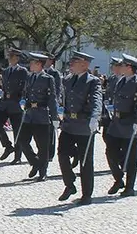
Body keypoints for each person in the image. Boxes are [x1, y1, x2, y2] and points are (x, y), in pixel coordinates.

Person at [56, 51, 102, 203]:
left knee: (85, 161)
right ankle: (69, 183)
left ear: (84, 65)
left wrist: (95, 117)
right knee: (62, 154)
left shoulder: (92, 81)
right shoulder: (68, 80)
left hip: (84, 125)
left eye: (74, 62)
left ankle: (86, 194)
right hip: (69, 124)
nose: (71, 65)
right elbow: (63, 99)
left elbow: (96, 100)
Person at [105, 54, 137, 196]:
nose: (120, 67)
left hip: (130, 123)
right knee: (110, 152)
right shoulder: (120, 81)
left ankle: (129, 187)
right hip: (117, 122)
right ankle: (118, 179)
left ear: (129, 67)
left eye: (123, 65)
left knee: (131, 158)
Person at [18, 51, 58, 181]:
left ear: (39, 64)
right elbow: (26, 93)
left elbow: (52, 98)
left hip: (41, 114)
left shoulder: (48, 79)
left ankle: (42, 171)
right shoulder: (30, 77)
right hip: (29, 114)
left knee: (42, 145)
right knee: (22, 140)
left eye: (32, 63)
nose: (30, 65)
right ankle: (35, 162)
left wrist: (55, 117)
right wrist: (23, 101)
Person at [0, 48, 27, 164]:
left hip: (16, 102)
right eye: (9, 56)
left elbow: (24, 87)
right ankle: (8, 146)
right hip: (5, 103)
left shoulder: (22, 71)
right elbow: (4, 86)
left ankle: (17, 156)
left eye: (12, 56)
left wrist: (21, 100)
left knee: (17, 130)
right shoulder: (6, 71)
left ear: (17, 58)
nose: (9, 58)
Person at [43, 55, 63, 164]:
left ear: (51, 61)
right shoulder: (41, 72)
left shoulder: (55, 74)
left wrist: (55, 105)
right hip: (41, 105)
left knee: (51, 130)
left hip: (51, 105)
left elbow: (57, 90)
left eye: (47, 59)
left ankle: (50, 153)